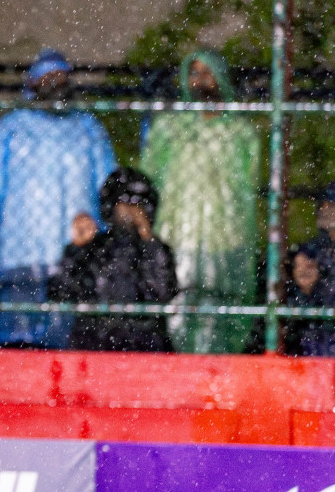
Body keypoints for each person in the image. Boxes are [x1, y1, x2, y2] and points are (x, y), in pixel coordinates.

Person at [0, 49, 116, 348]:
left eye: (61, 76)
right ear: (33, 84)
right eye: (47, 77)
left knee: (72, 342)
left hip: (77, 256)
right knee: (19, 344)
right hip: (21, 254)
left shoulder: (88, 129)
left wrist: (109, 232)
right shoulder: (10, 129)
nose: (56, 83)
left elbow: (109, 186)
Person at [138, 50, 260, 355]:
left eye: (208, 72)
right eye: (194, 73)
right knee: (176, 310)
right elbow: (148, 178)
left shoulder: (240, 133)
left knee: (223, 313)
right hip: (176, 237)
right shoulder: (169, 129)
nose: (201, 80)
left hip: (226, 240)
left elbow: (252, 183)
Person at [50, 168, 179, 353]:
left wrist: (148, 241)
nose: (132, 211)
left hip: (144, 347)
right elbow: (60, 291)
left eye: (138, 204)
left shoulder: (154, 250)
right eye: (125, 203)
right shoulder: (93, 248)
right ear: (111, 206)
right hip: (96, 347)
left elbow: (164, 292)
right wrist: (76, 249)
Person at [284, 243, 335, 357]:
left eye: (309, 266)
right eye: (298, 266)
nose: (303, 271)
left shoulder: (329, 296)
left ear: (319, 269)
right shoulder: (287, 295)